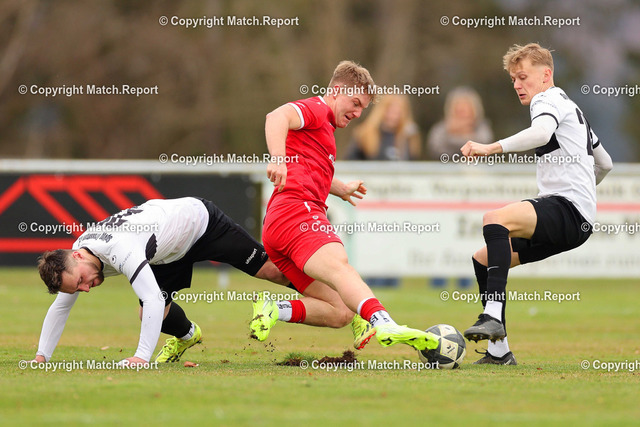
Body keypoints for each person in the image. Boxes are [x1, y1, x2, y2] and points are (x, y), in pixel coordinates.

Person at [249, 60, 438, 353]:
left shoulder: (323, 127)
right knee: (340, 266)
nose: (358, 113)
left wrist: (339, 188)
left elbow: (308, 168)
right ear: (337, 91)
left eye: (363, 108)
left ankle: (274, 309)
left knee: (340, 311)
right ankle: (384, 322)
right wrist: (277, 159)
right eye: (355, 103)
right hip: (296, 212)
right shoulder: (317, 109)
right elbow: (276, 116)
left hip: (278, 226)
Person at [460, 43, 613, 365]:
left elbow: (541, 134)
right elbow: (606, 163)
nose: (517, 84)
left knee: (494, 219)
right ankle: (499, 352)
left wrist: (490, 148)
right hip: (577, 219)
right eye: (513, 79)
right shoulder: (572, 108)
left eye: (523, 77)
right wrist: (585, 190)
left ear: (546, 75)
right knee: (483, 259)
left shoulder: (547, 99)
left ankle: (492, 316)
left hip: (567, 210)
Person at [32, 197, 289, 365]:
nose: (85, 288)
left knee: (271, 271)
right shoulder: (78, 255)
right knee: (151, 315)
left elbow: (152, 297)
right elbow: (61, 307)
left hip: (202, 225)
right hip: (167, 255)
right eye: (77, 288)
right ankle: (189, 335)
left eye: (81, 280)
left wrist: (141, 358)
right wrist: (42, 356)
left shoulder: (119, 247)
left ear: (77, 256)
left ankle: (314, 292)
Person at [345, 94, 421, 161]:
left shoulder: (409, 137)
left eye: (398, 112)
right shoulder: (365, 134)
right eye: (391, 111)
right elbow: (350, 163)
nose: (394, 116)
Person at [426, 86, 493, 159]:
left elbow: (485, 146)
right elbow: (436, 149)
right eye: (460, 111)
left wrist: (464, 135)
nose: (463, 116)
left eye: (466, 111)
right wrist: (453, 133)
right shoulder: (440, 130)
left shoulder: (482, 129)